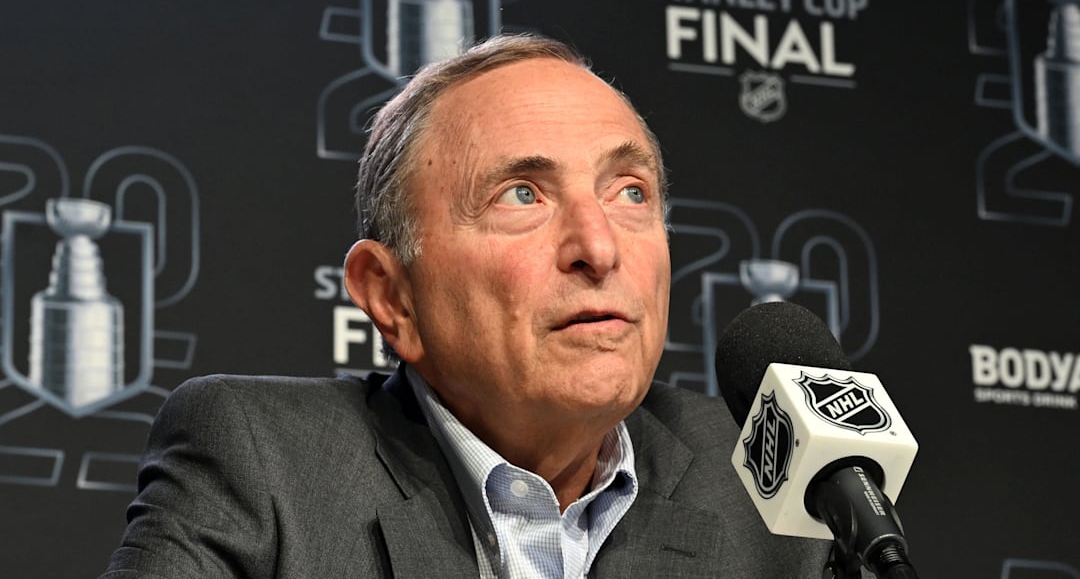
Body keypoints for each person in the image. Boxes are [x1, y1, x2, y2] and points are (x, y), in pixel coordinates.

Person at [100, 34, 828, 578]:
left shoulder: (762, 479)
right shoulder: (264, 468)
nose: (598, 248)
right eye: (523, 195)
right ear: (392, 297)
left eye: (629, 191)